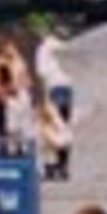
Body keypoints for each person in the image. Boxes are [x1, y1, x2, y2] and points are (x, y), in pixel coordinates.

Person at [34, 21, 74, 178]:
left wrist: (41, 97)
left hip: (53, 88)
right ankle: (63, 165)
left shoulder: (43, 48)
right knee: (64, 126)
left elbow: (41, 73)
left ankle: (52, 165)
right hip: (68, 87)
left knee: (52, 126)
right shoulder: (67, 46)